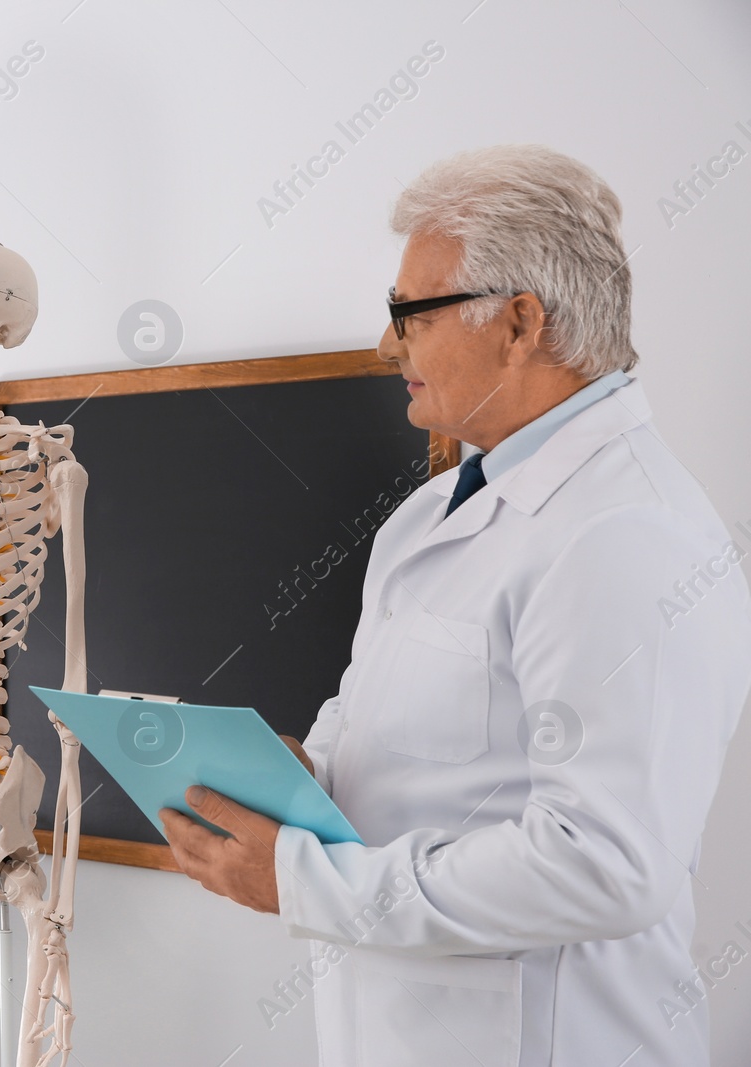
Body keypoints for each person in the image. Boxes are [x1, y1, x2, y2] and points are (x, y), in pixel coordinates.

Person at [159, 146, 751, 1065]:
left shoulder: (626, 532)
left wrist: (302, 877)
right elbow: (384, 730)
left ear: (520, 322)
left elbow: (603, 864)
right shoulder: (427, 514)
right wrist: (306, 773)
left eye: (409, 314)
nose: (388, 346)